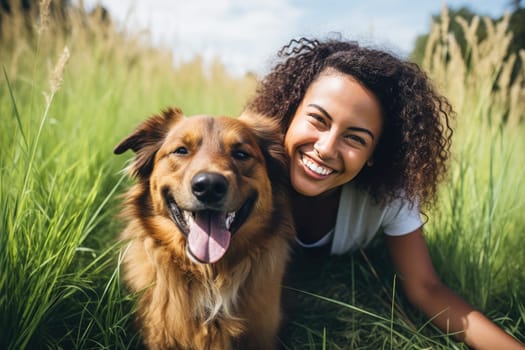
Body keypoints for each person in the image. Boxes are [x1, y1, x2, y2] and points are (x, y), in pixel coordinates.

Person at [243, 36, 524, 349]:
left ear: (375, 153)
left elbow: (426, 288)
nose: (325, 148)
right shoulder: (246, 168)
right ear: (291, 112)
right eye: (318, 120)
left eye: (355, 139)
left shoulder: (389, 195)